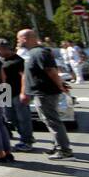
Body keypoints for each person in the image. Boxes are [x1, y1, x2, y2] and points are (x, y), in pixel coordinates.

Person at [17, 28, 74, 159]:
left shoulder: (39, 53)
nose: (17, 41)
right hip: (42, 92)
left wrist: (60, 85)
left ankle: (64, 150)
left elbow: (51, 71)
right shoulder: (33, 53)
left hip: (45, 93)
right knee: (48, 120)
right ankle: (58, 146)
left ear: (25, 38)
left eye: (18, 38)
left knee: (52, 121)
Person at [0, 37, 35, 150]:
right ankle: (23, 136)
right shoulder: (1, 61)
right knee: (9, 117)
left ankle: (27, 141)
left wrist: (24, 92)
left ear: (4, 48)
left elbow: (24, 77)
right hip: (5, 92)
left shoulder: (18, 61)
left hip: (17, 93)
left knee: (23, 118)